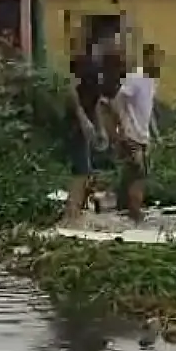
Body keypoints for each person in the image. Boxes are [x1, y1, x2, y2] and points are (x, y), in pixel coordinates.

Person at [64, 34, 113, 224]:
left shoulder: (100, 71)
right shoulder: (81, 64)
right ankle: (72, 214)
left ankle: (78, 210)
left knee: (87, 169)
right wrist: (83, 119)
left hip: (88, 121)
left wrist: (100, 128)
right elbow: (71, 91)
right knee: (81, 169)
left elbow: (96, 102)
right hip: (75, 122)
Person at [109, 45, 161, 222]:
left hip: (143, 134)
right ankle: (135, 212)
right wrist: (125, 125)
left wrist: (155, 132)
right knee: (139, 172)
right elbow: (118, 101)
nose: (158, 62)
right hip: (131, 134)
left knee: (132, 173)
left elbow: (149, 108)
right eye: (154, 58)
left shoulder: (152, 80)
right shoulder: (135, 78)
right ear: (146, 58)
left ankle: (120, 206)